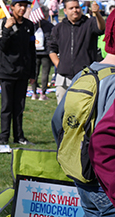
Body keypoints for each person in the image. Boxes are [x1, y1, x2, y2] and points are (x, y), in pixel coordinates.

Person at [53, 11, 115, 217]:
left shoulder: (84, 73)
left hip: (81, 175)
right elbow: (105, 140)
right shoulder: (113, 82)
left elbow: (58, 122)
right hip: (106, 184)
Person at [0, 0, 36, 145]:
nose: (22, 8)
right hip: (7, 72)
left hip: (23, 72)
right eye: (19, 5)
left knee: (19, 107)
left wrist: (32, 73)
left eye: (25, 6)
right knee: (7, 107)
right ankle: (3, 137)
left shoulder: (29, 25)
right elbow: (1, 46)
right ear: (12, 7)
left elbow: (32, 50)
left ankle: (19, 137)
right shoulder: (2, 22)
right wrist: (7, 28)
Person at [48, 0, 106, 103]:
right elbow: (52, 49)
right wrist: (59, 65)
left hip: (85, 77)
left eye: (77, 7)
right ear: (65, 11)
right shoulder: (58, 28)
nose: (75, 10)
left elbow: (101, 28)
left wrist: (97, 14)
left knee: (84, 110)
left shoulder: (90, 23)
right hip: (64, 79)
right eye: (71, 8)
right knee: (63, 111)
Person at [32, 9, 54, 101]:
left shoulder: (33, 25)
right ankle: (43, 94)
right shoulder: (50, 26)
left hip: (35, 52)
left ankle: (34, 93)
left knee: (34, 73)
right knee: (45, 73)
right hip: (46, 52)